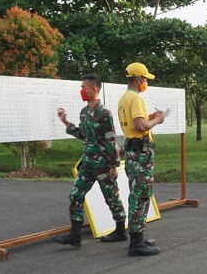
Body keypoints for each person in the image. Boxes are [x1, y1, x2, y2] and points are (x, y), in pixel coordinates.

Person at [53, 73, 127, 247]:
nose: (81, 91)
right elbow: (83, 135)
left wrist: (114, 166)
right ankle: (75, 236)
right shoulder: (84, 112)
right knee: (75, 195)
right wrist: (65, 122)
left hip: (103, 164)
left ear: (94, 89)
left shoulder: (104, 114)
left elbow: (111, 140)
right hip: (87, 164)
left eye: (83, 88)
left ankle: (121, 230)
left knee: (111, 197)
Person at [117, 62, 165, 256]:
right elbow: (140, 126)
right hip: (141, 153)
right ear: (138, 80)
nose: (146, 82)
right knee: (141, 194)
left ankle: (139, 235)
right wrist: (157, 120)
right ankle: (136, 242)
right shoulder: (135, 99)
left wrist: (150, 116)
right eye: (144, 79)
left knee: (137, 192)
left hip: (132, 152)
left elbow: (138, 120)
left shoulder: (124, 98)